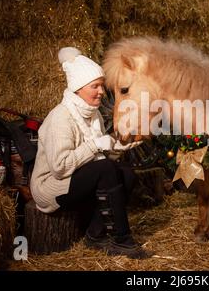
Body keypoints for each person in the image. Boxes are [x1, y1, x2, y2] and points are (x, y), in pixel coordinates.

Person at [30, 47, 150, 259]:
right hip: (50, 186)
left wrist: (127, 142)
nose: (101, 92)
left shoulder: (93, 115)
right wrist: (96, 144)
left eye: (102, 86)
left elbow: (101, 154)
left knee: (126, 173)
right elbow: (60, 168)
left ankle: (95, 235)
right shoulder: (61, 118)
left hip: (76, 176)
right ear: (78, 89)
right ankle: (122, 240)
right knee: (105, 168)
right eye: (95, 86)